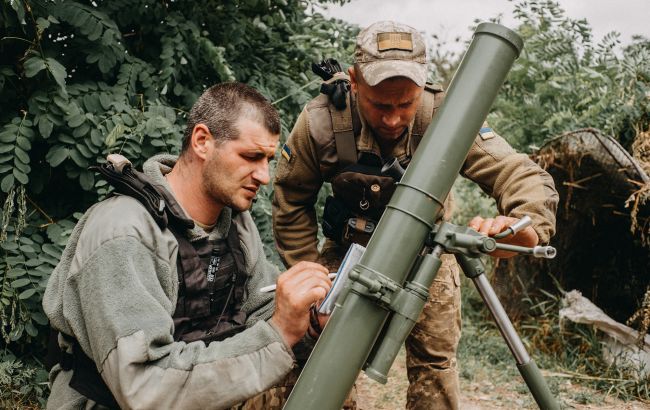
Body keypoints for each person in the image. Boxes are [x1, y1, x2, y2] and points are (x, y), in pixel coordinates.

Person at [272, 21, 559, 409]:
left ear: (423, 84)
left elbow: (518, 173)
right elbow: (291, 199)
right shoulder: (322, 122)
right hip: (347, 254)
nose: (393, 119)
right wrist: (306, 273)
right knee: (313, 355)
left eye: (404, 104)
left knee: (434, 368)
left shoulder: (445, 117)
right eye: (380, 105)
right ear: (355, 82)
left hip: (427, 260)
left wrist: (524, 225)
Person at [43, 82, 333, 409]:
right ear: (202, 141)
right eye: (251, 157)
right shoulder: (124, 233)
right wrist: (279, 333)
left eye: (268, 159)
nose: (264, 176)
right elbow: (145, 388)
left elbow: (262, 308)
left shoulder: (234, 221)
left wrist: (309, 321)